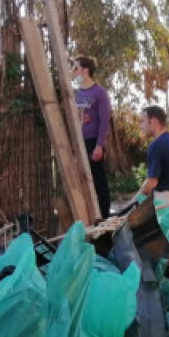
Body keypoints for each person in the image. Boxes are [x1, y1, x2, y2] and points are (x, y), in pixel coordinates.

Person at [71, 56, 112, 218]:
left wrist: (99, 145)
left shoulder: (99, 92)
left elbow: (105, 120)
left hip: (93, 141)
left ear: (85, 71)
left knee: (98, 179)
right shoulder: (76, 93)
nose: (73, 72)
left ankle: (104, 216)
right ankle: (87, 215)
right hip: (79, 142)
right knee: (82, 180)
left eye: (76, 68)